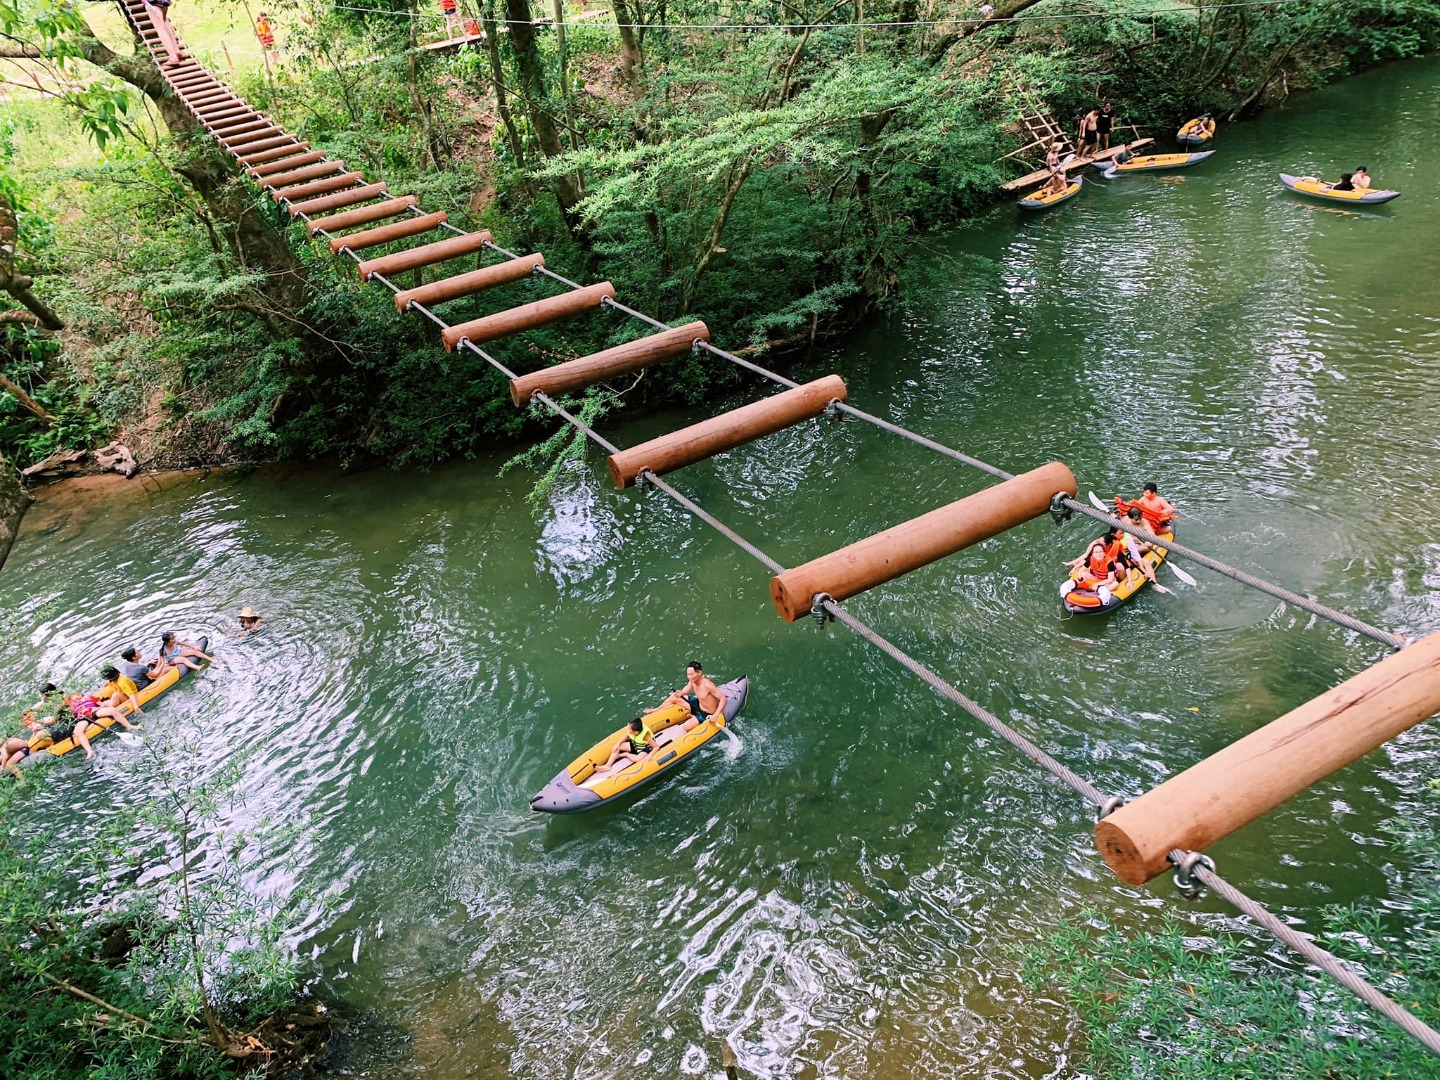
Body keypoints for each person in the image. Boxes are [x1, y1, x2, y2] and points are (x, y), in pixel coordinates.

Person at [662, 661, 727, 733]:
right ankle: (656, 710)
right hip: (698, 705)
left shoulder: (707, 685)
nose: (689, 677)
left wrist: (715, 715)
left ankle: (695, 718)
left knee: (686, 727)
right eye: (688, 675)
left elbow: (723, 699)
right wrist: (681, 693)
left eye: (691, 674)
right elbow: (686, 689)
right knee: (673, 697)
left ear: (699, 673)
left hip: (706, 714)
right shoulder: (692, 681)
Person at [1116, 510, 1171, 594]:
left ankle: (1155, 584)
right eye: (1136, 520)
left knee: (1147, 548)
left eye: (1139, 519)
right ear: (1130, 518)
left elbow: (1152, 535)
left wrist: (1149, 541)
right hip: (1127, 546)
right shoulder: (1125, 520)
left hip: (1139, 544)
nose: (1138, 521)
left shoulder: (1144, 522)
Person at [1061, 540, 1119, 605]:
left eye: (1100, 551)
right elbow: (1081, 570)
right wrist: (1080, 577)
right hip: (1096, 578)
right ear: (1093, 554)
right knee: (1083, 574)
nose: (1098, 554)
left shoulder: (1109, 562)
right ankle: (1092, 589)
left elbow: (1110, 579)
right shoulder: (1091, 559)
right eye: (1096, 552)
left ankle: (1100, 594)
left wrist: (1098, 584)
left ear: (1104, 553)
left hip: (1107, 582)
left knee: (1115, 584)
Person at [144, 0, 185, 67]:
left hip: (152, 3)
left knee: (160, 29)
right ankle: (176, 51)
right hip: (163, 2)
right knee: (165, 22)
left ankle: (173, 57)